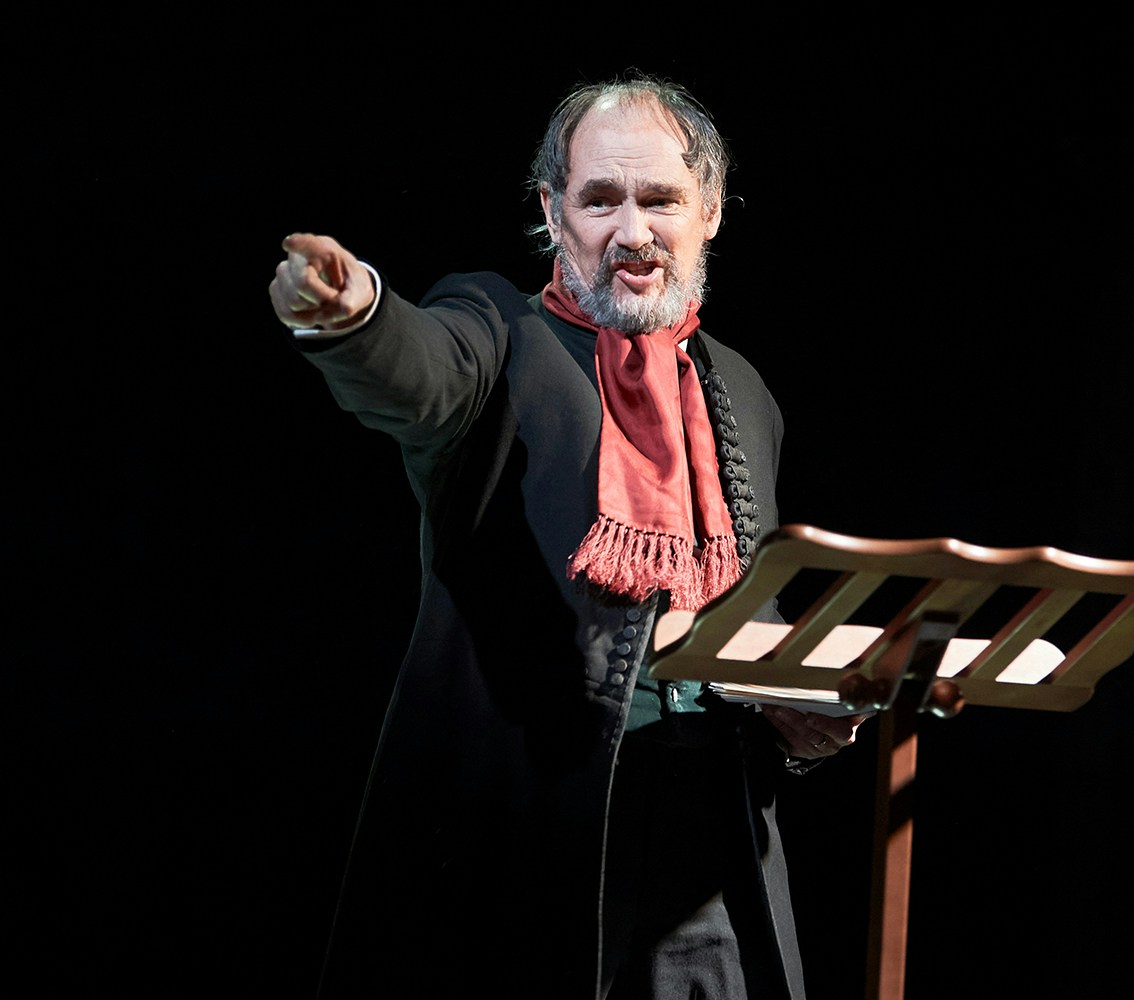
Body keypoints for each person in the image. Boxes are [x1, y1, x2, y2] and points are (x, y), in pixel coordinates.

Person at [268, 73, 870, 999]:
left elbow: (748, 601)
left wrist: (798, 712)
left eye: (660, 198)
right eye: (600, 200)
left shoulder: (741, 390)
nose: (632, 232)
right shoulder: (500, 332)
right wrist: (357, 319)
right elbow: (419, 374)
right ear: (553, 212)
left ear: (707, 210)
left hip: (711, 831)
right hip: (537, 828)